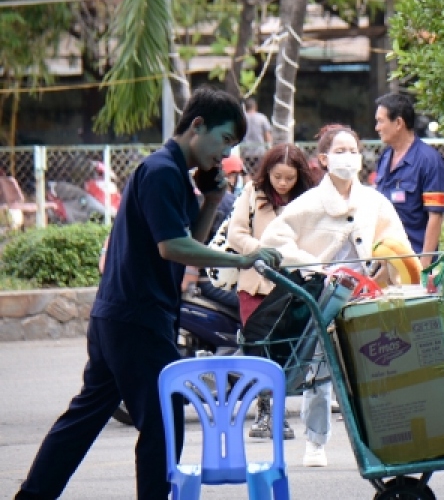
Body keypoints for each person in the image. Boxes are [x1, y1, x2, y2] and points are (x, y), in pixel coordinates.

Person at [14, 87, 283, 500]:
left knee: (86, 416)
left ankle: (33, 495)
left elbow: (186, 241)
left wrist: (211, 198)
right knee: (164, 420)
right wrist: (243, 260)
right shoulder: (161, 172)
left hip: (118, 315)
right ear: (197, 126)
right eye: (225, 140)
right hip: (137, 317)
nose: (226, 153)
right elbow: (171, 247)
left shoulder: (172, 174)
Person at [259, 125, 419, 468]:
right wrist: (312, 268)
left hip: (367, 296)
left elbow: (398, 246)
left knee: (378, 367)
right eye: (340, 151)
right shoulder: (308, 203)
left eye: (353, 150)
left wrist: (385, 272)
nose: (348, 157)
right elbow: (274, 239)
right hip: (324, 297)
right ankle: (315, 443)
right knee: (319, 369)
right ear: (324, 159)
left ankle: (385, 440)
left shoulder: (375, 201)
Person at [225, 143, 316, 440]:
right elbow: (236, 233)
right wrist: (259, 251)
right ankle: (264, 412)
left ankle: (278, 412)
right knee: (257, 346)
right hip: (254, 283)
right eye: (278, 176)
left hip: (290, 285)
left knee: (286, 348)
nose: (282, 183)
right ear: (268, 172)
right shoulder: (252, 192)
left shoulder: (308, 200)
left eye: (289, 178)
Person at [373, 92, 444, 268]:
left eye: (381, 121)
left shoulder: (429, 160)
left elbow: (435, 216)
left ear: (398, 123)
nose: (377, 127)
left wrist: (424, 265)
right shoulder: (385, 157)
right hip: (387, 261)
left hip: (415, 261)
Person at [240, 97, 273, 172]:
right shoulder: (262, 118)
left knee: (246, 174)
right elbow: (267, 136)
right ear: (255, 106)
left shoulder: (242, 118)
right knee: (259, 173)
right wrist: (270, 149)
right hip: (259, 153)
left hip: (245, 153)